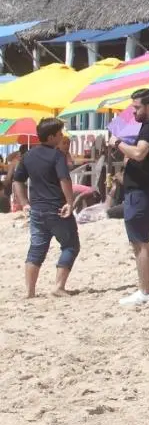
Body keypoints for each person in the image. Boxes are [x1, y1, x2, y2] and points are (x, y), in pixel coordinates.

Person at [111, 88, 149, 307]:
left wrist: (117, 143)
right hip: (144, 191)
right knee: (145, 242)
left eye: (137, 107)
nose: (133, 111)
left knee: (140, 244)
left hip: (141, 192)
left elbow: (139, 153)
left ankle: (145, 291)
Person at [14, 118, 80, 298]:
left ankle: (30, 291)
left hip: (36, 210)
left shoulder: (28, 155)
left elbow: (17, 181)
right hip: (56, 208)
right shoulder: (57, 155)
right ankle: (58, 287)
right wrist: (70, 202)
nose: (61, 136)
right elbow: (64, 179)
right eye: (59, 133)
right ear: (51, 137)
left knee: (36, 249)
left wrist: (24, 203)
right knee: (71, 245)